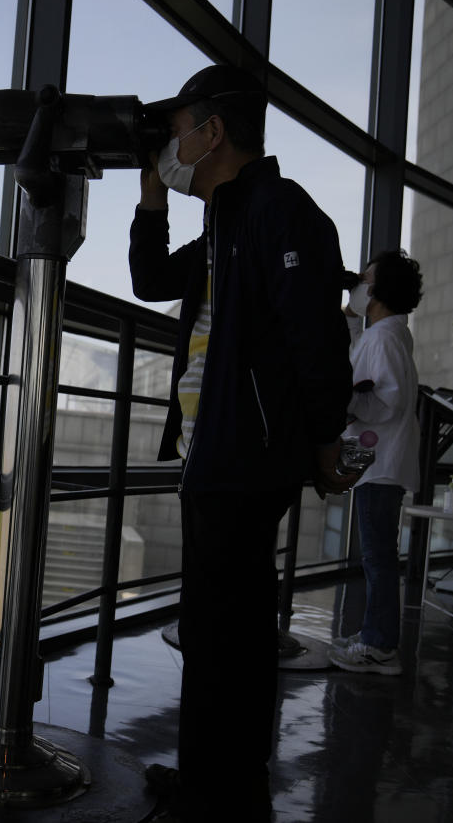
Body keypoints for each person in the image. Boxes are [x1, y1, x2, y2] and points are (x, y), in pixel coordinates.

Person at [128, 63, 356, 821]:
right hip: (213, 452)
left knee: (229, 632)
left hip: (246, 455)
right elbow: (149, 278)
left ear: (212, 131)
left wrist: (324, 439)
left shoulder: (282, 213)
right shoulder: (223, 223)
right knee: (220, 627)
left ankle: (220, 788)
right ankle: (211, 778)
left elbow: (317, 338)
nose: (172, 146)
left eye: (175, 134)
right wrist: (151, 197)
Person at [329, 249, 424, 676]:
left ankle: (380, 647)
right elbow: (349, 356)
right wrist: (350, 313)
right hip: (378, 459)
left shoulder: (384, 337)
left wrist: (346, 403)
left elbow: (388, 399)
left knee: (378, 558)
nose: (359, 283)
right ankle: (375, 634)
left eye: (365, 279)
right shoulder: (385, 333)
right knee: (378, 555)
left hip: (380, 463)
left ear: (379, 289)